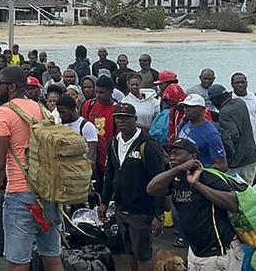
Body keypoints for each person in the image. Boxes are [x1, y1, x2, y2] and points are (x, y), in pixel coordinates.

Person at [0, 67, 63, 271]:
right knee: (53, 259)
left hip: (20, 195)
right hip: (48, 194)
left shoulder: (4, 112)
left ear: (11, 87)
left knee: (18, 263)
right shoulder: (42, 109)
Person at [146, 138, 242, 269]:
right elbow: (151, 189)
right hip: (195, 251)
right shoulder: (176, 178)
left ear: (193, 156)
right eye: (171, 154)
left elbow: (232, 203)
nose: (172, 157)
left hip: (218, 252)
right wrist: (178, 169)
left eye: (177, 153)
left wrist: (196, 184)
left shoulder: (208, 176)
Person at [99, 103, 167, 271]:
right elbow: (110, 174)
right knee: (128, 251)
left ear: (135, 120)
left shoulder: (148, 146)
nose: (121, 122)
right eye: (118, 118)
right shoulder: (113, 143)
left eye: (126, 118)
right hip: (121, 208)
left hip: (142, 211)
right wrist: (104, 201)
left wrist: (159, 215)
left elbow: (160, 181)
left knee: (143, 254)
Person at [209, 84, 256, 183]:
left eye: (212, 100)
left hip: (238, 161)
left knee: (237, 194)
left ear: (217, 99)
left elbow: (233, 136)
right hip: (251, 156)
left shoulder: (224, 112)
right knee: (248, 190)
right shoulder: (240, 102)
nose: (212, 103)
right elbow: (237, 119)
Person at [231, 72, 256, 183]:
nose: (240, 85)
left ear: (247, 83)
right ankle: (237, 192)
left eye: (242, 82)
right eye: (237, 83)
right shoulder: (228, 99)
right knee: (237, 170)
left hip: (254, 141)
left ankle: (248, 190)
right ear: (232, 84)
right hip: (236, 142)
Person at [82, 75, 117, 187]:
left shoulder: (117, 109)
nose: (98, 95)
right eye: (96, 92)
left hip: (108, 156)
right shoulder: (89, 105)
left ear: (111, 92)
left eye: (102, 92)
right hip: (92, 154)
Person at [177, 94, 228, 172]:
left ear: (202, 109)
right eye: (185, 106)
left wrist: (200, 171)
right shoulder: (186, 122)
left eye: (191, 106)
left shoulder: (210, 133)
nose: (186, 109)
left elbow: (222, 165)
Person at [56, 95, 98, 166]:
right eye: (59, 112)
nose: (61, 115)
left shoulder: (87, 126)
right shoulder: (61, 126)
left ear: (72, 109)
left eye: (63, 112)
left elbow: (92, 154)